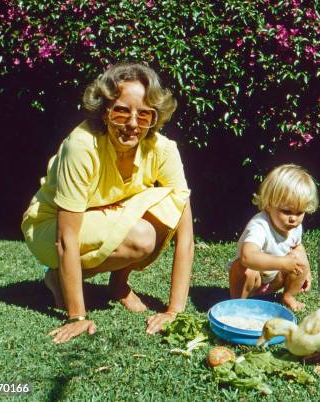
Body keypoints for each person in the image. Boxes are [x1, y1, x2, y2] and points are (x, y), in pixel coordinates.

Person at [21, 62, 194, 344]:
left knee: (169, 203)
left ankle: (117, 286)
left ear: (154, 117)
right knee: (140, 234)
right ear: (104, 112)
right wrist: (77, 316)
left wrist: (174, 310)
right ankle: (59, 279)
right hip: (50, 228)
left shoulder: (163, 149)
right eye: (122, 111)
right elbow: (65, 238)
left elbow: (185, 234)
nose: (132, 124)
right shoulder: (81, 145)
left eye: (144, 114)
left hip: (103, 218)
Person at [228, 164, 318, 311]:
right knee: (245, 269)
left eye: (299, 212)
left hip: (274, 280)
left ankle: (288, 296)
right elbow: (247, 256)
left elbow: (298, 247)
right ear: (269, 204)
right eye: (286, 211)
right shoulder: (260, 225)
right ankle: (238, 304)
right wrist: (283, 263)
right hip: (252, 281)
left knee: (300, 259)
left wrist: (306, 272)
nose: (293, 219)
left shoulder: (294, 226)